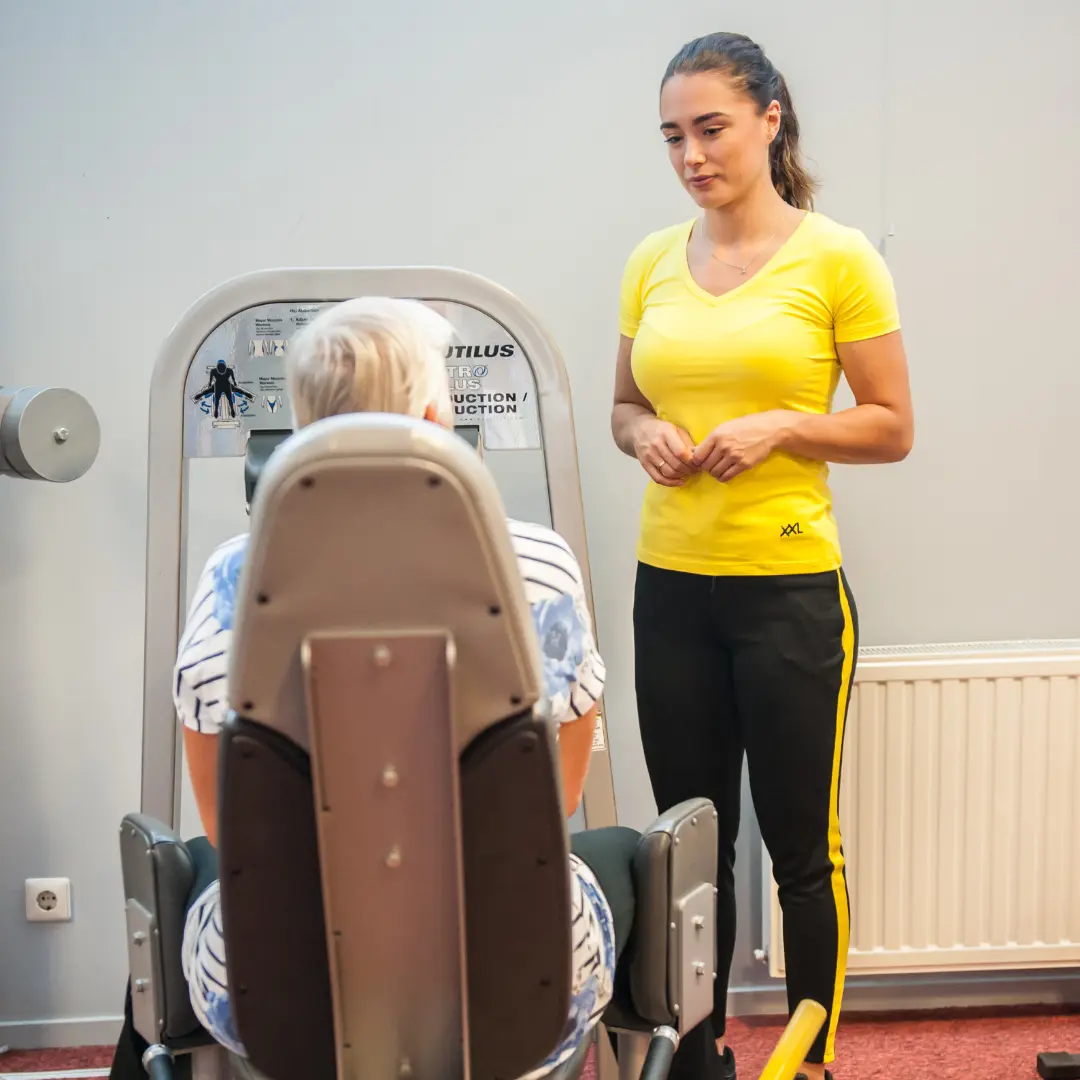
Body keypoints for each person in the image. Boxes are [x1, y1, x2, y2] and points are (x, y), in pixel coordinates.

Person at [110, 297, 635, 1080]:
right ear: (430, 414)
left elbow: (225, 821)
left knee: (196, 875)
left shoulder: (230, 575)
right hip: (515, 989)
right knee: (616, 860)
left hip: (274, 998)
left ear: (301, 422)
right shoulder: (540, 563)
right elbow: (553, 798)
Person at [611, 32, 914, 1080]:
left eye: (711, 128)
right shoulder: (652, 259)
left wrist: (783, 427)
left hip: (787, 592)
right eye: (673, 137)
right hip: (672, 592)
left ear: (771, 118)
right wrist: (639, 431)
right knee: (688, 847)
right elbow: (623, 404)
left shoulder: (837, 258)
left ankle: (813, 1060)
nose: (691, 155)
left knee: (799, 848)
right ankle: (697, 1056)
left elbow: (889, 425)